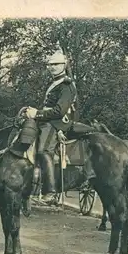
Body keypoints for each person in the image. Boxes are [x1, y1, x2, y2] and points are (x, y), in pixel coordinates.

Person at [24, 50, 78, 205]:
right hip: (48, 120)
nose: (52, 67)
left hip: (58, 122)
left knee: (44, 150)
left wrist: (37, 114)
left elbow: (59, 111)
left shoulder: (66, 85)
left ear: (64, 65)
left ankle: (51, 192)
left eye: (56, 64)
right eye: (50, 64)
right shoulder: (55, 83)